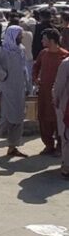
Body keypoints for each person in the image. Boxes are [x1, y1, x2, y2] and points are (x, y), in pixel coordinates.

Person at [0, 25, 30, 158]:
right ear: (13, 35)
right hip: (7, 89)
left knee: (18, 118)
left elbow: (24, 69)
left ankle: (12, 147)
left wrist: (28, 86)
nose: (21, 37)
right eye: (19, 35)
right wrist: (2, 75)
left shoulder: (21, 49)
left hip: (20, 89)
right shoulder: (2, 51)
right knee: (5, 118)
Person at [32, 27, 69, 155]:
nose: (42, 41)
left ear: (52, 40)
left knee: (58, 119)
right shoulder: (43, 53)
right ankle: (48, 145)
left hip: (59, 94)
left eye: (44, 39)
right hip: (43, 93)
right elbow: (36, 67)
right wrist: (35, 78)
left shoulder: (64, 55)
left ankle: (60, 145)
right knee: (43, 118)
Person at [51, 55, 69, 178]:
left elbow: (58, 86)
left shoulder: (66, 63)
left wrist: (55, 99)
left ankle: (67, 167)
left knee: (66, 136)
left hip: (66, 105)